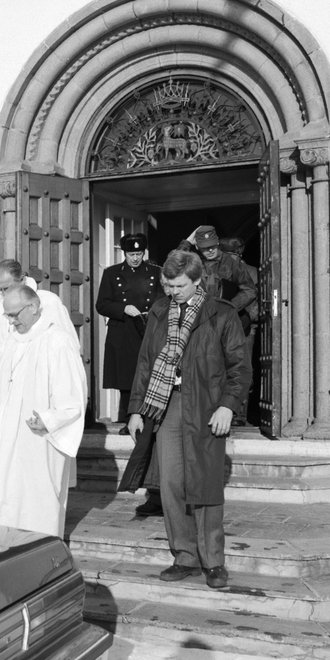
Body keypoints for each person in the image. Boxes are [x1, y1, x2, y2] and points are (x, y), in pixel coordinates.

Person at [120, 250, 251, 589]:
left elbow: (239, 367)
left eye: (178, 286)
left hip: (207, 406)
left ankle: (213, 561)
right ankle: (185, 556)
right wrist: (136, 410)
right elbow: (146, 362)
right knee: (171, 484)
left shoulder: (220, 314)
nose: (171, 291)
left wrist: (227, 406)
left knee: (205, 486)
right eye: (167, 285)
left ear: (196, 281)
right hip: (165, 404)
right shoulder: (160, 312)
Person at [0, 284, 86, 537]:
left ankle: (36, 555)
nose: (11, 322)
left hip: (36, 438)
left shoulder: (57, 341)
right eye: (8, 316)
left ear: (34, 308)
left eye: (15, 315)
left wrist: (49, 419)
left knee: (32, 504)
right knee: (0, 498)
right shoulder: (12, 341)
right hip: (3, 438)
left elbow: (73, 397)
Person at [95, 233, 163, 429]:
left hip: (147, 327)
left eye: (139, 253)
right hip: (123, 330)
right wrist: (123, 309)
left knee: (149, 374)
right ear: (124, 253)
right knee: (126, 378)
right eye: (132, 254)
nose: (135, 258)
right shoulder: (111, 273)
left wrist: (152, 311)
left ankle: (149, 419)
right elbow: (102, 305)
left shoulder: (156, 272)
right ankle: (127, 420)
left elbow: (163, 299)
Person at [0, 259, 79, 377]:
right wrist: (2, 361)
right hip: (2, 376)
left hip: (38, 376)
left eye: (7, 288)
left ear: (22, 279)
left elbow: (66, 343)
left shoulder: (48, 301)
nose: (3, 293)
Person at [178, 225, 256, 323]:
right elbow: (173, 265)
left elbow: (249, 290)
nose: (210, 250)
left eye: (212, 245)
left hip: (229, 321)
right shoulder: (194, 262)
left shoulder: (232, 262)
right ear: (197, 246)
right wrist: (187, 242)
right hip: (202, 321)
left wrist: (229, 307)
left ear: (217, 242)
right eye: (205, 247)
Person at [219, 236, 259, 426]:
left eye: (230, 255)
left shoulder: (252, 272)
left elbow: (258, 299)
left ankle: (239, 414)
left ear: (238, 254)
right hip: (221, 327)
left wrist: (248, 317)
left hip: (245, 328)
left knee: (242, 369)